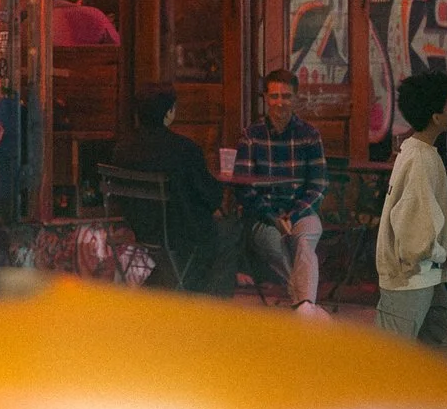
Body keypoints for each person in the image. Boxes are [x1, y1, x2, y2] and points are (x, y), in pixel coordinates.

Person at [113, 84, 248, 294]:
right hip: (180, 232)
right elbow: (211, 196)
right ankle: (212, 305)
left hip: (137, 228)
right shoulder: (184, 149)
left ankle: (167, 286)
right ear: (169, 113)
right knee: (230, 228)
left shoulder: (122, 148)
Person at [375, 71, 447, 353]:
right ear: (436, 115)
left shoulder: (419, 153)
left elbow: (426, 220)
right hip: (410, 279)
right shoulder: (421, 160)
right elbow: (415, 238)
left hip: (424, 276)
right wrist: (446, 255)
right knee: (388, 365)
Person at [234, 69, 331, 318]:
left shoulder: (310, 135)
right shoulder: (251, 136)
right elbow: (244, 187)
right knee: (276, 246)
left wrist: (294, 214)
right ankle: (306, 306)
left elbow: (318, 185)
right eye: (275, 96)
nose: (280, 102)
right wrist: (272, 216)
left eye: (286, 96)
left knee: (305, 242)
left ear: (295, 98)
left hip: (301, 212)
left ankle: (302, 307)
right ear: (266, 98)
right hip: (264, 216)